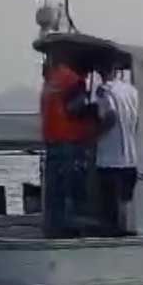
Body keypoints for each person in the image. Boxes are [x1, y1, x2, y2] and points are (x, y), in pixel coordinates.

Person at [40, 53, 97, 238]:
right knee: (75, 189)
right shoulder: (74, 80)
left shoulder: (51, 80)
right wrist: (93, 110)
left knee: (54, 191)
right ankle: (75, 231)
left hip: (52, 142)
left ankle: (53, 227)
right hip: (70, 142)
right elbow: (75, 107)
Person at [92, 61, 140, 236]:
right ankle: (126, 236)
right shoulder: (132, 91)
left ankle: (111, 242)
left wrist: (94, 135)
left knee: (109, 211)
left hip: (109, 160)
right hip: (131, 159)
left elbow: (110, 116)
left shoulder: (103, 91)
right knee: (125, 202)